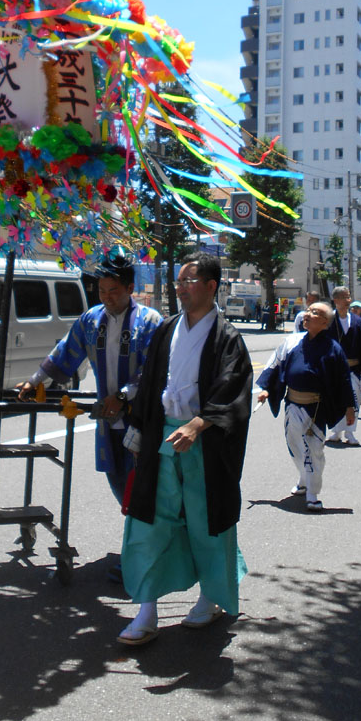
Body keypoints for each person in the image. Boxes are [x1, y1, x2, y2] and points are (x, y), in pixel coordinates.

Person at [117, 253, 253, 645]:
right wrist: (139, 434)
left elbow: (232, 389)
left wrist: (198, 424)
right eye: (178, 281)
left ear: (212, 286)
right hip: (162, 439)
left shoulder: (228, 337)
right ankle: (146, 611)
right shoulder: (167, 329)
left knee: (206, 523)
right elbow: (149, 386)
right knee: (148, 523)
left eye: (189, 281)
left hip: (205, 445)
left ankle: (210, 598)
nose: (181, 288)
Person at [17, 253, 162, 573]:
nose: (107, 297)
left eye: (114, 291)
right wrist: (35, 380)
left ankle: (141, 558)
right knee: (120, 485)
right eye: (102, 291)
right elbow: (64, 352)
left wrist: (123, 396)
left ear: (130, 288)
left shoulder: (151, 321)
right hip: (107, 423)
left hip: (141, 421)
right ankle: (144, 549)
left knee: (140, 489)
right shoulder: (91, 320)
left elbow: (154, 370)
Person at [257, 300, 354, 511]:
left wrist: (349, 407)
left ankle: (312, 493)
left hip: (315, 408)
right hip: (293, 404)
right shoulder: (293, 342)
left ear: (325, 323)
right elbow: (276, 365)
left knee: (314, 450)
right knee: (294, 445)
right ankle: (303, 477)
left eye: (315, 312)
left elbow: (343, 380)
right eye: (308, 311)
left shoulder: (333, 349)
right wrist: (266, 388)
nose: (307, 314)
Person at [325, 286, 361, 445]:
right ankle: (336, 431)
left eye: (348, 297)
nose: (347, 300)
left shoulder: (358, 320)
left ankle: (350, 432)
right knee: (336, 400)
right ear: (335, 300)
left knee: (354, 399)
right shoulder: (329, 320)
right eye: (344, 297)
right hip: (334, 369)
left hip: (353, 368)